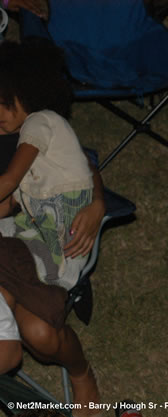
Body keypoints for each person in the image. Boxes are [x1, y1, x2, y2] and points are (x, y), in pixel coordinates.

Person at [0, 39, 103, 416]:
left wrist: (98, 200)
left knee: (41, 334)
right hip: (22, 236)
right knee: (32, 327)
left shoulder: (36, 124)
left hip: (45, 241)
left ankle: (81, 373)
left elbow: (78, 167)